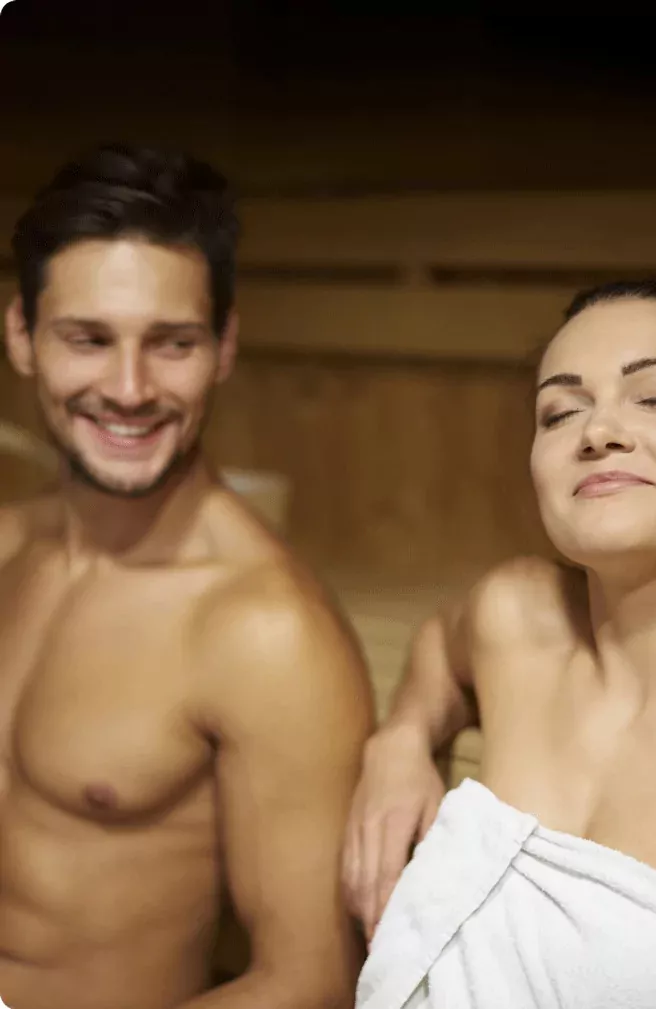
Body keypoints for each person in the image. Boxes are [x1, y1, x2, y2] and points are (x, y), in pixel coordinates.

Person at [343, 281, 656, 1009]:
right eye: (561, 410)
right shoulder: (517, 619)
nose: (599, 430)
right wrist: (399, 739)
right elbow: (439, 647)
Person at [0, 144, 374, 1009]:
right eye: (88, 339)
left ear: (225, 346)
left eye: (171, 344)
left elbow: (311, 982)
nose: (129, 388)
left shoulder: (263, 630)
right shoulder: (7, 546)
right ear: (22, 334)